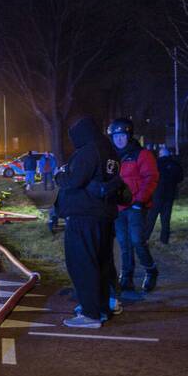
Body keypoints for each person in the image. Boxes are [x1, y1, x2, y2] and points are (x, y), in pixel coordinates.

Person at [56, 117, 121, 329]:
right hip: (103, 215)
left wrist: (60, 175)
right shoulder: (109, 152)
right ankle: (100, 308)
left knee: (82, 264)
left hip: (84, 216)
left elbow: (74, 181)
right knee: (100, 264)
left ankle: (90, 314)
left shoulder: (88, 152)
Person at [108, 118, 159, 293]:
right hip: (118, 207)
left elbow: (151, 178)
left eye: (122, 135)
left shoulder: (141, 154)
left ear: (129, 136)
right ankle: (127, 277)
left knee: (137, 240)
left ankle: (150, 270)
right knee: (124, 243)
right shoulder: (111, 157)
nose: (119, 139)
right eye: (116, 136)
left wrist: (140, 201)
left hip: (136, 205)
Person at [147, 145, 184, 244]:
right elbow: (180, 178)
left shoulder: (156, 164)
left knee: (151, 218)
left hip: (157, 195)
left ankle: (145, 238)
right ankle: (164, 240)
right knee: (166, 219)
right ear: (168, 154)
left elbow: (150, 178)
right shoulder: (175, 164)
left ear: (160, 155)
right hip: (169, 195)